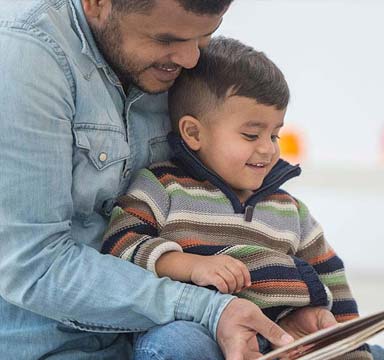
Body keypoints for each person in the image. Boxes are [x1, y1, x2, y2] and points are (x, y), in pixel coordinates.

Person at [0, 1, 296, 359]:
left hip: (160, 331)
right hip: (51, 344)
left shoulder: (174, 60)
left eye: (205, 36)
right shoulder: (24, 55)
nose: (190, 60)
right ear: (97, 4)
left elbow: (210, 208)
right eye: (166, 39)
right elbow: (33, 265)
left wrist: (287, 309)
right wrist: (207, 308)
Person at [102, 36, 384, 360]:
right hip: (200, 330)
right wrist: (190, 265)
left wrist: (345, 338)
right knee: (175, 346)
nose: (268, 148)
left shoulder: (289, 209)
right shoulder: (162, 186)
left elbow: (330, 273)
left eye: (274, 134)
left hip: (285, 339)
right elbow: (119, 245)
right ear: (194, 133)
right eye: (251, 135)